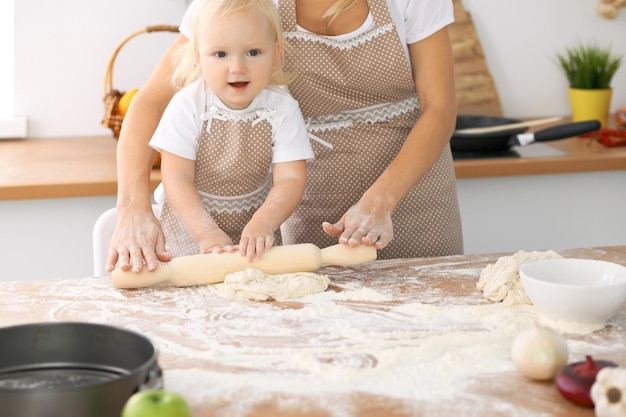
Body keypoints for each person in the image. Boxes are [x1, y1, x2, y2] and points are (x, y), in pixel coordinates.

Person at [107, 0, 463, 274]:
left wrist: (381, 201)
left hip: (413, 198)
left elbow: (440, 109)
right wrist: (132, 206)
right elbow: (152, 100)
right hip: (305, 206)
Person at [147, 0, 313, 261]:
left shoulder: (283, 108)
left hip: (257, 242)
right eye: (221, 54)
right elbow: (177, 178)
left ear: (275, 55)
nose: (237, 67)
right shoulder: (188, 105)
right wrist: (207, 234)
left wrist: (264, 223)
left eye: (254, 52)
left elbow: (290, 179)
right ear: (198, 58)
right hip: (192, 238)